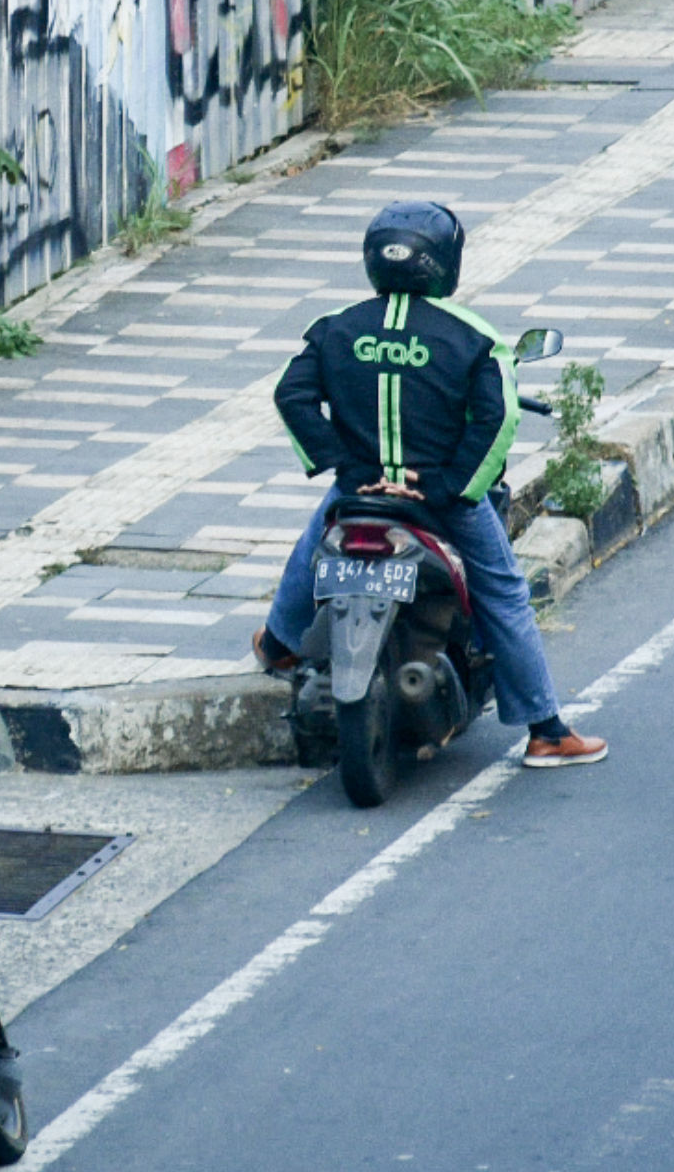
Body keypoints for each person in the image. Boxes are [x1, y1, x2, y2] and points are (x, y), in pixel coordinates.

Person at [251, 200, 607, 769]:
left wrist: (348, 468)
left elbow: (291, 397)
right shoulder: (475, 338)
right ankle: (546, 730)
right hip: (441, 502)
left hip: (361, 491)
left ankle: (277, 644)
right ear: (447, 264)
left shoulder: (335, 327)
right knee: (505, 593)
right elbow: (498, 422)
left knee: (315, 542)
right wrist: (447, 488)